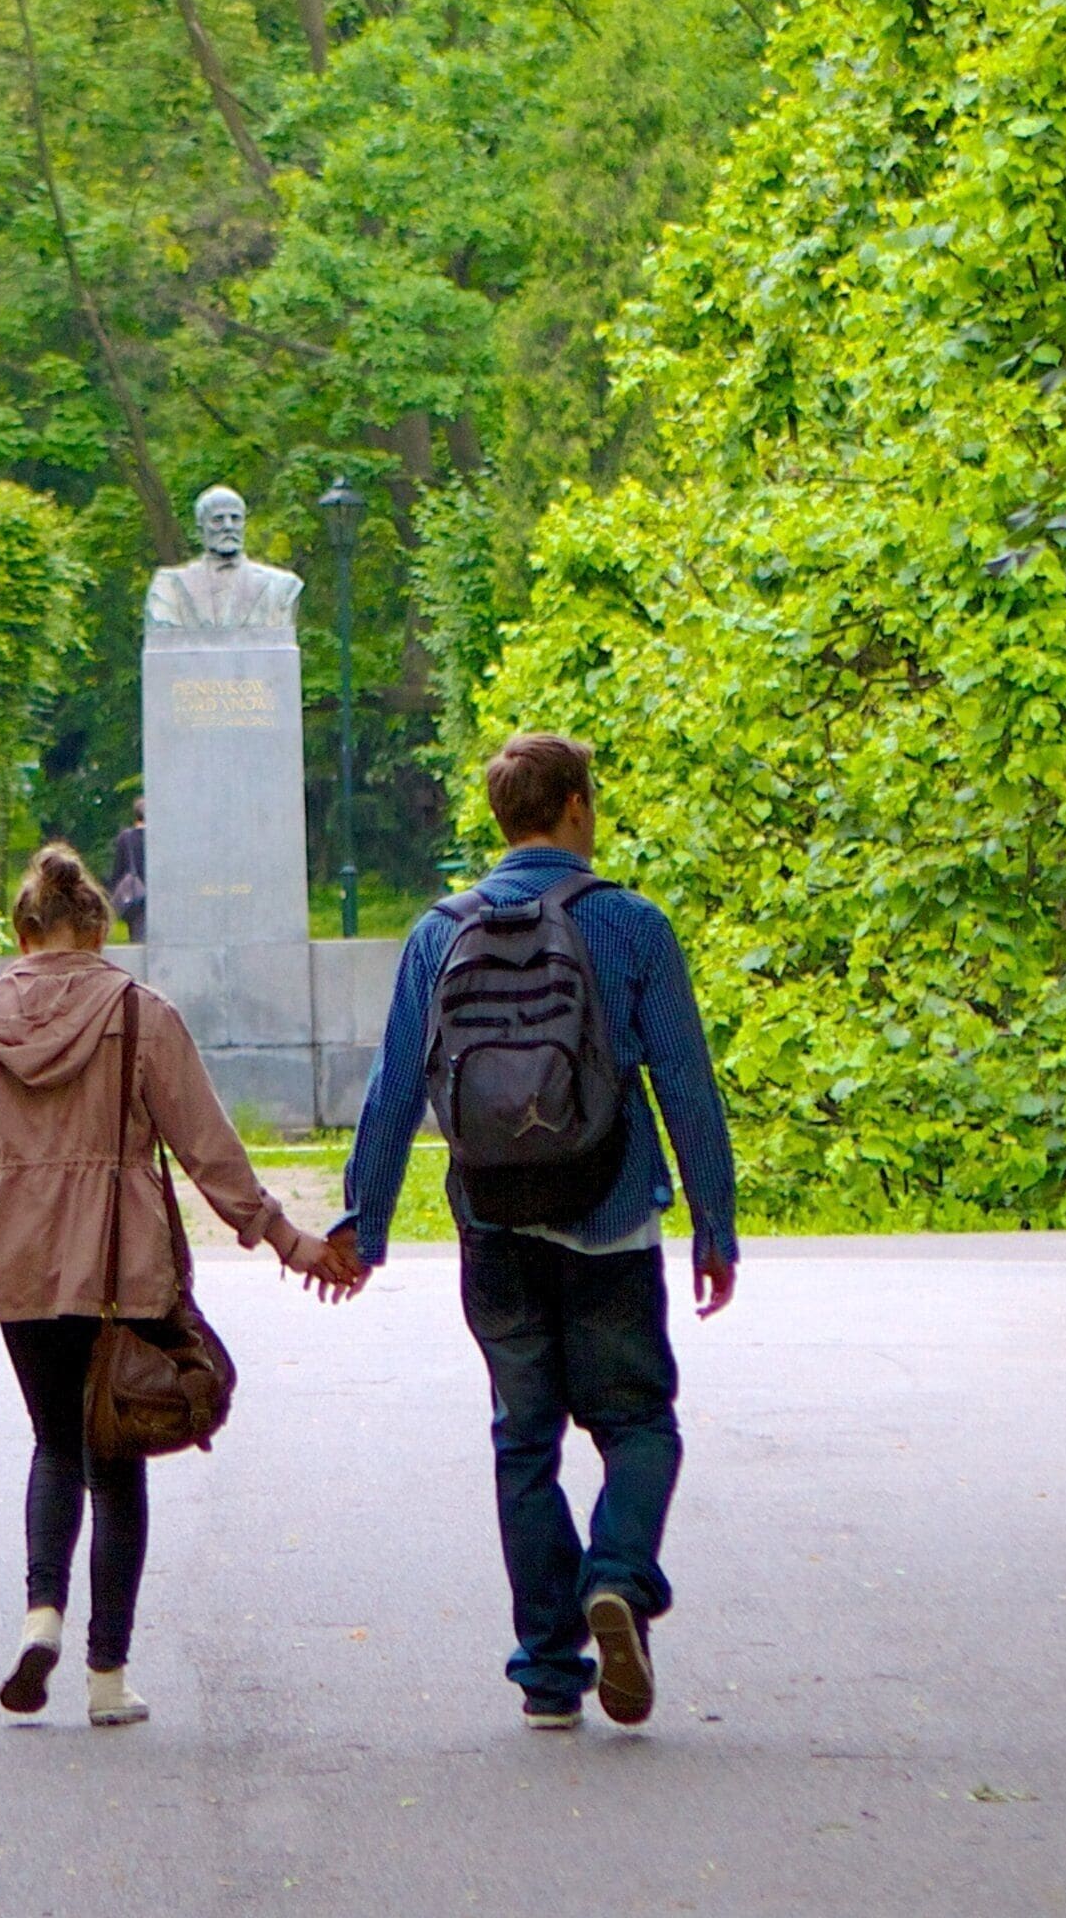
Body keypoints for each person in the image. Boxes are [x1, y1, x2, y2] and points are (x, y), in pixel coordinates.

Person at [324, 732, 738, 1732]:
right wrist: (714, 1225)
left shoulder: (438, 933)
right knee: (638, 1422)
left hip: (494, 1224)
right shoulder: (632, 925)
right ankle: (620, 1579)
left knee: (525, 1442)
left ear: (505, 817)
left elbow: (394, 1093)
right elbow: (684, 1082)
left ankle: (551, 1674)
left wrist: (364, 1226)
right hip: (608, 1216)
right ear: (578, 809)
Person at [0, 844, 364, 1727]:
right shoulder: (140, 1015)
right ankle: (105, 1680)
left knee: (55, 1443)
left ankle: (41, 1615)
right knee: (116, 1460)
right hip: (117, 1269)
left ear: (24, 932)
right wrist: (285, 1239)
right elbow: (208, 1147)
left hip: (20, 1267)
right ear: (100, 931)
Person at [108, 799, 149, 943]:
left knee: (138, 939)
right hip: (158, 896)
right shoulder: (159, 838)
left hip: (135, 894)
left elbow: (118, 870)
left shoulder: (127, 837)